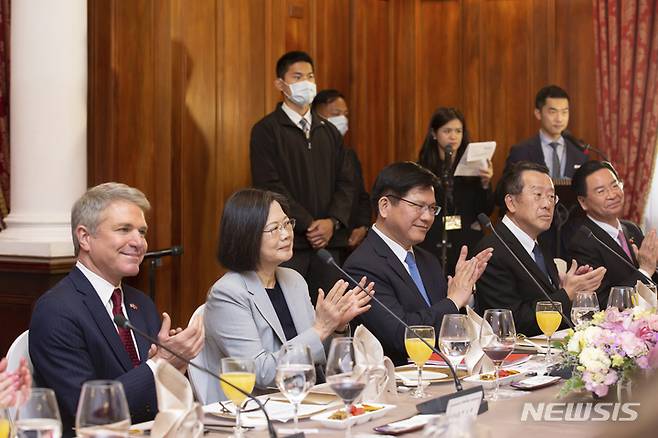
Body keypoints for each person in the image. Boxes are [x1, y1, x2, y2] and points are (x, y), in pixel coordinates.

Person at [29, 183, 205, 436]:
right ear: (85, 237)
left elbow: (154, 399)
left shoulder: (140, 304)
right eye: (124, 229)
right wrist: (159, 365)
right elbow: (88, 410)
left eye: (142, 232)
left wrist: (174, 368)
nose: (139, 242)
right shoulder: (56, 310)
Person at [203, 188, 373, 402]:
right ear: (246, 235)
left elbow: (320, 359)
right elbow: (261, 373)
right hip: (258, 411)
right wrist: (320, 329)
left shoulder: (293, 280)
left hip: (308, 399)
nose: (286, 234)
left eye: (286, 224)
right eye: (274, 228)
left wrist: (336, 328)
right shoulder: (227, 294)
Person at [343, 162, 492, 365]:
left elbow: (448, 327)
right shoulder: (362, 266)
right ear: (384, 206)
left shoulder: (427, 260)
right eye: (418, 206)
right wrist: (453, 300)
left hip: (445, 374)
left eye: (432, 208)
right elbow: (402, 335)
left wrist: (465, 294)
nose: (428, 217)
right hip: (397, 384)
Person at [250, 51, 355, 304]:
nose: (306, 82)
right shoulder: (266, 131)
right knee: (293, 314)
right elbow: (268, 184)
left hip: (329, 246)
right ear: (280, 84)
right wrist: (308, 223)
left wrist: (332, 221)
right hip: (290, 244)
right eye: (297, 77)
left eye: (310, 76)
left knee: (332, 314)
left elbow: (347, 182)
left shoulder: (329, 132)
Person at [474, 162, 606, 336]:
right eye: (537, 195)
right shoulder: (492, 250)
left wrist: (567, 286)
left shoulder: (539, 241)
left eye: (552, 197)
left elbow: (541, 297)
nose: (547, 204)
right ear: (511, 202)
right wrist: (566, 294)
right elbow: (511, 322)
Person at [567, 160, 658, 307]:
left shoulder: (632, 228)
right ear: (583, 201)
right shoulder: (582, 243)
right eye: (601, 191)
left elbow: (652, 274)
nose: (612, 194)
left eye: (615, 185)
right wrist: (644, 270)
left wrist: (652, 264)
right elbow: (601, 303)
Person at [417, 107, 494, 275]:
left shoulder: (475, 165)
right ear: (434, 134)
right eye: (447, 131)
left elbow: (484, 210)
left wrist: (486, 184)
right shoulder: (424, 166)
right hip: (433, 237)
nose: (453, 136)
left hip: (466, 238)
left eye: (458, 131)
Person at [312, 89, 371, 258]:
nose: (342, 119)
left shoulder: (348, 154)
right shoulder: (310, 153)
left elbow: (360, 195)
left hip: (348, 243)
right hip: (319, 240)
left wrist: (363, 226)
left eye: (345, 114)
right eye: (336, 113)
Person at [506, 85, 588, 179]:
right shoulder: (521, 152)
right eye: (553, 112)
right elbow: (507, 188)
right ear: (538, 114)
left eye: (564, 112)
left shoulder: (580, 151)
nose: (559, 119)